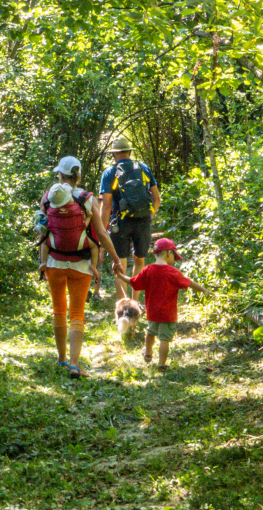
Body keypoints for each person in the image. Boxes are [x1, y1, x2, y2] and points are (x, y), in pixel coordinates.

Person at [38, 156, 123, 378]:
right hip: (81, 264)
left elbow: (42, 231)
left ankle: (61, 359)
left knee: (58, 309)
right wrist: (114, 258)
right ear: (78, 175)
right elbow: (102, 233)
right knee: (77, 312)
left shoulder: (48, 197)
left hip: (54, 263)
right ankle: (74, 364)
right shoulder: (87, 198)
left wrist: (42, 260)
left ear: (60, 175)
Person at [121, 237, 203, 372]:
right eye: (174, 257)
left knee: (150, 332)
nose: (173, 261)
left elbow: (133, 282)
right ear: (168, 253)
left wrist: (119, 275)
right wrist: (204, 290)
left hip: (152, 311)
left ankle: (147, 354)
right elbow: (189, 283)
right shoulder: (173, 272)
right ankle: (161, 364)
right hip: (168, 313)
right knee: (164, 339)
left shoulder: (148, 270)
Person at [98, 136, 160, 291]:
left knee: (120, 262)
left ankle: (123, 305)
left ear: (114, 154)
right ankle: (135, 302)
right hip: (143, 220)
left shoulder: (110, 173)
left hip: (120, 222)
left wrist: (101, 231)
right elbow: (157, 199)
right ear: (129, 153)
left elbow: (106, 206)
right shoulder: (143, 168)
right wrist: (148, 216)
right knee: (140, 260)